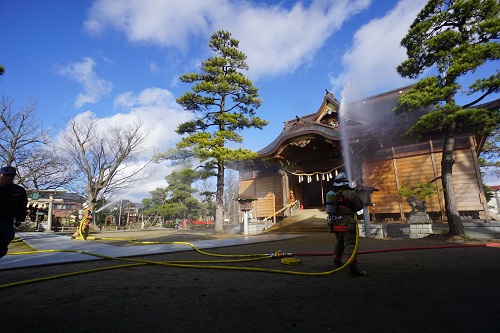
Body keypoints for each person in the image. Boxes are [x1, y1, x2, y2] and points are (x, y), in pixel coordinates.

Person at [326, 172, 366, 276]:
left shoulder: (332, 193)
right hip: (347, 223)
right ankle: (352, 268)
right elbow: (359, 206)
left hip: (335, 223)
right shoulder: (349, 193)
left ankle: (337, 261)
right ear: (345, 182)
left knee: (339, 243)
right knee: (350, 244)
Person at [0, 166, 28, 259]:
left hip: (6, 219)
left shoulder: (19, 191)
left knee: (7, 236)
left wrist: (20, 218)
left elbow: (22, 206)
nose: (8, 178)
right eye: (6, 176)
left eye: (11, 176)